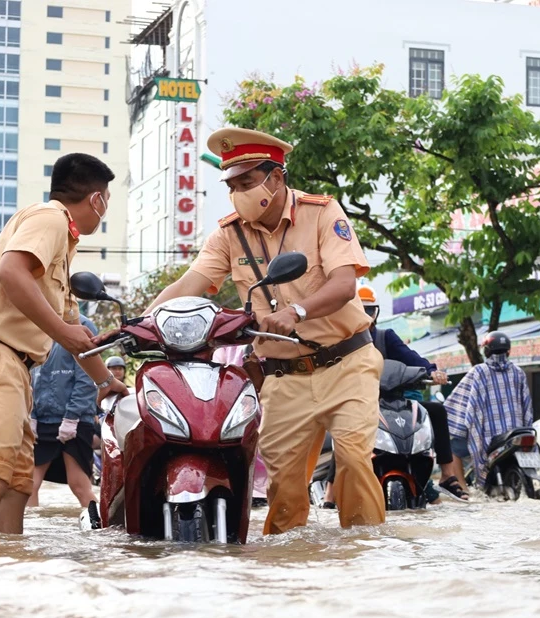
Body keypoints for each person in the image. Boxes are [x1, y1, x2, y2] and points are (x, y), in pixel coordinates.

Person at [99, 127, 386, 534]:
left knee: (355, 461)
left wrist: (296, 311)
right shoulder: (228, 234)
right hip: (284, 375)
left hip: (347, 362)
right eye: (231, 186)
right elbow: (189, 284)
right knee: (283, 486)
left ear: (277, 177)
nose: (238, 193)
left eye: (247, 182)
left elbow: (343, 285)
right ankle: (286, 574)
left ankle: (365, 556)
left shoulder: (322, 213)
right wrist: (138, 325)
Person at [0, 153, 127, 535]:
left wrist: (105, 383)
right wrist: (61, 331)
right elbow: (10, 272)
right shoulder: (51, 218)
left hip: (13, 368)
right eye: (106, 200)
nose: (105, 210)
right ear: (96, 199)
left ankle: (5, 573)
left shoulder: (60, 254)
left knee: (17, 486)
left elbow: (77, 334)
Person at [319, 286, 460, 507]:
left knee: (436, 410)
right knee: (344, 429)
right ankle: (330, 491)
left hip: (394, 401)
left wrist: (432, 371)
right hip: (358, 402)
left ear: (376, 313)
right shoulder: (341, 340)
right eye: (360, 310)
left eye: (369, 311)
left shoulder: (386, 337)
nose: (365, 316)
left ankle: (448, 475)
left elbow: (411, 358)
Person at [28, 314, 104, 529]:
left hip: (75, 418)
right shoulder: (36, 321)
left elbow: (87, 376)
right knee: (28, 484)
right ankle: (31, 533)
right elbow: (31, 374)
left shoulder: (83, 325)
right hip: (42, 418)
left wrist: (72, 416)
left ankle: (100, 528)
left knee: (79, 484)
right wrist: (31, 414)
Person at [444, 331, 533, 490]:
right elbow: (527, 405)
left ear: (486, 351)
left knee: (453, 449)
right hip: (516, 432)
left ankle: (464, 489)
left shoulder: (479, 371)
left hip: (488, 435)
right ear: (508, 350)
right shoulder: (518, 372)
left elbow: (461, 401)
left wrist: (444, 412)